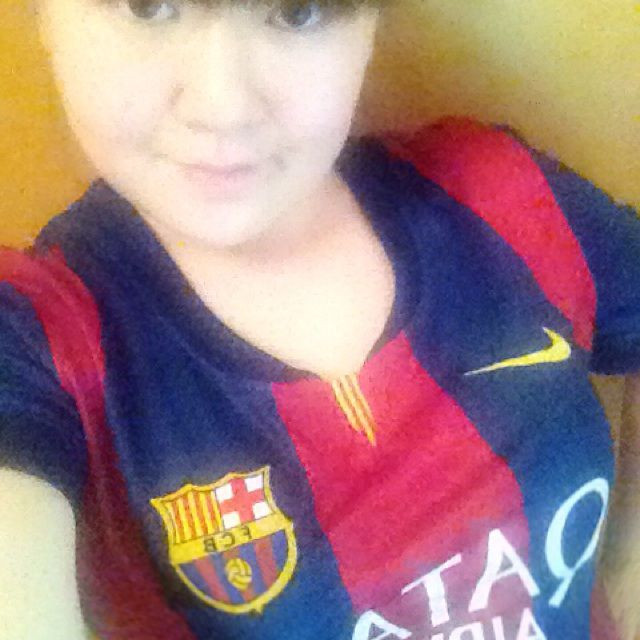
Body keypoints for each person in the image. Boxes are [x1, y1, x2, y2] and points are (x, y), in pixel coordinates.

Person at [1, 0, 639, 638]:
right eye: (148, 7)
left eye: (297, 11)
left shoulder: (507, 196)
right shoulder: (37, 339)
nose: (224, 107)